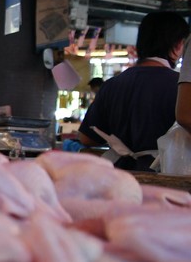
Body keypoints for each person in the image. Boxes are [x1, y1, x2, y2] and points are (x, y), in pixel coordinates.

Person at [80, 11, 188, 170]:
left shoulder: (112, 85)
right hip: (166, 180)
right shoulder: (180, 87)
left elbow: (87, 139)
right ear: (179, 45)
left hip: (120, 180)